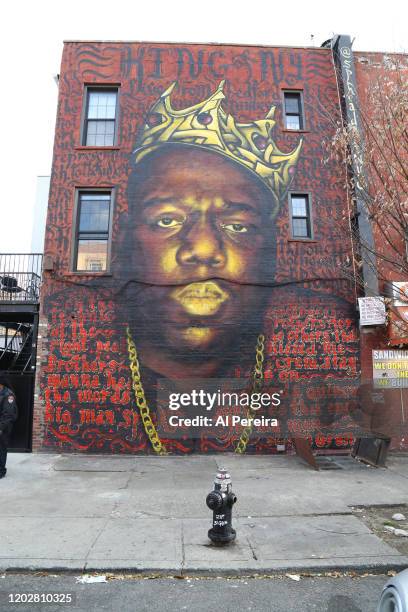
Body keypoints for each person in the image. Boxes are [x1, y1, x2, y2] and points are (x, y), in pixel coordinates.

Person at [115, 81, 303, 454]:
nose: (203, 250)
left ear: (270, 252)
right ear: (126, 239)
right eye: (167, 220)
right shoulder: (81, 344)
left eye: (237, 226)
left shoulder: (307, 353)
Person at [0, 381, 18, 478]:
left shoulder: (8, 395)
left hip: (4, 427)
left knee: (1, 448)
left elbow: (8, 415)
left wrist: (1, 428)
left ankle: (1, 471)